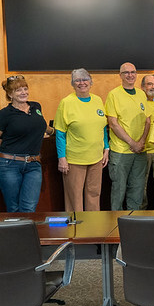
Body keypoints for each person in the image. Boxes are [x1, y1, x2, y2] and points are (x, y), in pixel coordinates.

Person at [0, 75, 53, 212]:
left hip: (34, 165)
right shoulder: (4, 114)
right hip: (9, 165)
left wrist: (54, 132)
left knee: (29, 208)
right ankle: (16, 234)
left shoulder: (36, 106)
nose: (23, 93)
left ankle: (27, 234)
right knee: (14, 208)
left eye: (25, 89)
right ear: (10, 94)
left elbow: (40, 124)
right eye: (18, 90)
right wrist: (15, 145)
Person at [54, 68, 109, 212]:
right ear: (72, 84)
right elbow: (60, 133)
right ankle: (76, 231)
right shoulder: (66, 103)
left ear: (91, 82)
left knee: (94, 195)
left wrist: (106, 148)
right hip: (74, 159)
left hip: (96, 158)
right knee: (74, 198)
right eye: (77, 80)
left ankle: (93, 228)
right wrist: (62, 158)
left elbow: (102, 126)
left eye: (85, 79)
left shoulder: (97, 100)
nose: (82, 83)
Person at [105, 62, 150, 211]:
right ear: (120, 75)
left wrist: (141, 141)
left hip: (140, 151)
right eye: (126, 73)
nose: (130, 75)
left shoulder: (142, 94)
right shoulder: (113, 94)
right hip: (121, 151)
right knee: (119, 190)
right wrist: (132, 142)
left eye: (133, 72)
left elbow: (147, 120)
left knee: (137, 190)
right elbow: (113, 123)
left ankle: (134, 223)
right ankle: (115, 225)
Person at [140, 75, 154, 209]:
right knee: (142, 185)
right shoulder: (138, 101)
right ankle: (141, 212)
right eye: (149, 84)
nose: (153, 87)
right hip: (143, 150)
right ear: (142, 87)